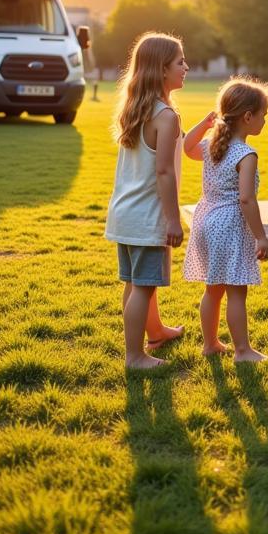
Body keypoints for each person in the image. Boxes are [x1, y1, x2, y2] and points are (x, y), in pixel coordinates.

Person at [104, 33, 188, 369]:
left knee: (136, 283)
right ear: (161, 69)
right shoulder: (166, 116)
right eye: (180, 62)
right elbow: (164, 172)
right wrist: (172, 219)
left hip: (124, 214)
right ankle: (135, 356)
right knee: (142, 287)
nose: (187, 67)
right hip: (149, 217)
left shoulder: (135, 108)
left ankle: (156, 331)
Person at [183, 78, 268, 363]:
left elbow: (186, 147)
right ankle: (243, 351)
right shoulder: (246, 154)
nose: (265, 119)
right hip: (229, 226)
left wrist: (204, 124)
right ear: (247, 117)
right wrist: (261, 236)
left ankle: (210, 344)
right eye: (263, 114)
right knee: (236, 292)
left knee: (213, 289)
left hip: (205, 222)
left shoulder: (212, 145)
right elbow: (246, 199)